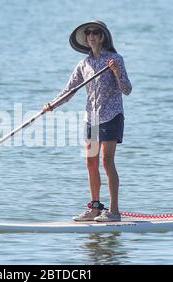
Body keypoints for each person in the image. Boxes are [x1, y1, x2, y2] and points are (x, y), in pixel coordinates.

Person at [42, 20, 132, 222]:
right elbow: (69, 90)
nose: (91, 35)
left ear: (102, 37)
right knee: (90, 162)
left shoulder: (116, 59)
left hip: (111, 116)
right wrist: (52, 104)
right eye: (88, 33)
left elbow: (127, 89)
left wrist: (117, 73)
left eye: (95, 32)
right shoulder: (84, 64)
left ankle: (115, 212)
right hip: (91, 119)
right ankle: (95, 208)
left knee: (106, 161)